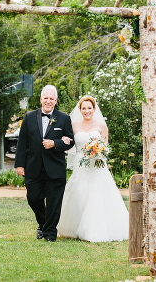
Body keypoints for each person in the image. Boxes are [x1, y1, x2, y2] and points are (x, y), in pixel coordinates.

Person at [56, 95, 128, 242]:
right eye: (84, 108)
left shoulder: (101, 127)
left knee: (97, 193)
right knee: (79, 192)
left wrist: (99, 151)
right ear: (80, 110)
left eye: (89, 108)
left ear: (94, 109)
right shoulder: (73, 125)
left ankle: (95, 230)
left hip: (97, 165)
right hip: (80, 164)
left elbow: (106, 146)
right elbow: (68, 141)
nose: (87, 111)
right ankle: (75, 227)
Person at [14, 85, 76, 242]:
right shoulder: (29, 117)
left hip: (55, 168)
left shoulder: (64, 118)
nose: (48, 101)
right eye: (46, 98)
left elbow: (70, 142)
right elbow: (22, 142)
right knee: (33, 198)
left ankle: (49, 233)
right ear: (41, 99)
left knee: (54, 202)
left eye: (51, 98)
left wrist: (55, 143)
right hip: (33, 166)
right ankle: (43, 224)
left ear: (55, 100)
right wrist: (19, 165)